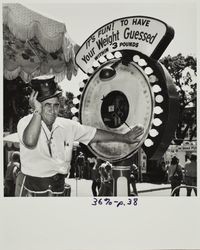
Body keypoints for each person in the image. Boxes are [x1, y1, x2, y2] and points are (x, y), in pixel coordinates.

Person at [17, 75, 144, 197]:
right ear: (37, 105)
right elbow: (30, 141)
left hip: (59, 189)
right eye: (47, 105)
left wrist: (124, 137)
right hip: (32, 189)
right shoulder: (26, 122)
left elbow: (94, 133)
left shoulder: (67, 125)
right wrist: (37, 112)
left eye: (56, 105)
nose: (52, 110)